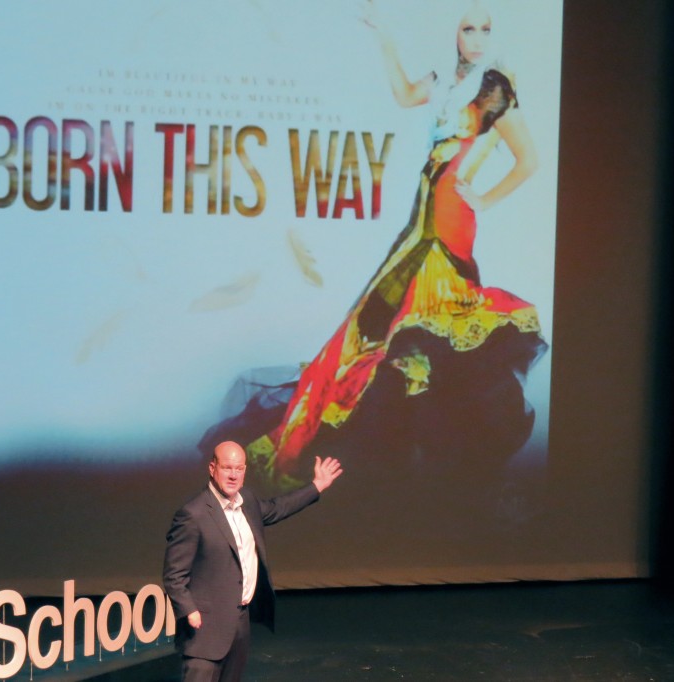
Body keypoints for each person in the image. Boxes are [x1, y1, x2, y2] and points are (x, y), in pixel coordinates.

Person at [202, 0, 547, 499]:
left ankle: (441, 452)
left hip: (451, 220)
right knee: (387, 324)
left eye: (485, 29)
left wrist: (484, 199)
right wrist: (384, 34)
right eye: (467, 27)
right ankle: (400, 450)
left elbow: (528, 160)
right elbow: (406, 95)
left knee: (429, 323)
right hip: (421, 212)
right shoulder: (446, 80)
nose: (476, 38)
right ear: (450, 32)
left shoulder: (495, 88)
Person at [163, 441, 343, 681]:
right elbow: (174, 574)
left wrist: (317, 486)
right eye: (227, 468)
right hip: (204, 628)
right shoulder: (193, 514)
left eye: (239, 469)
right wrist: (190, 610)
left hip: (239, 621)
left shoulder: (247, 501)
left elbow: (278, 507)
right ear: (212, 468)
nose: (233, 475)